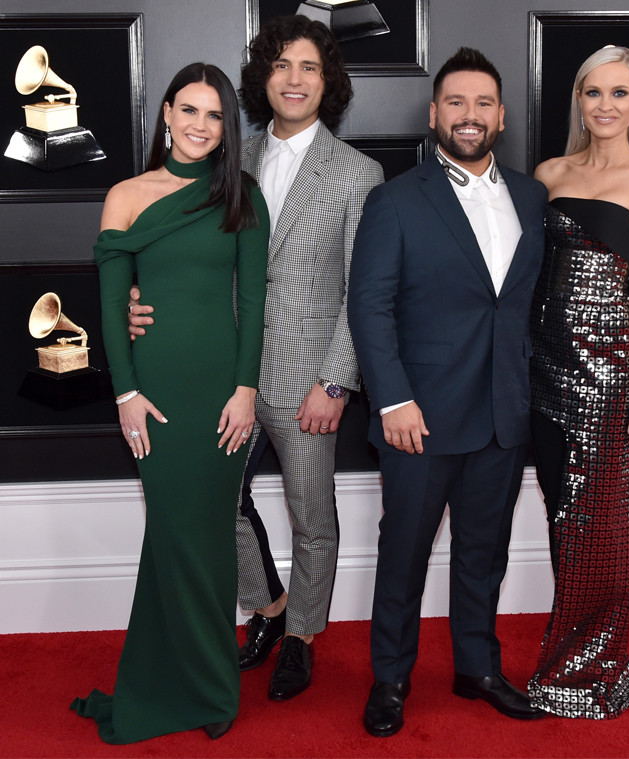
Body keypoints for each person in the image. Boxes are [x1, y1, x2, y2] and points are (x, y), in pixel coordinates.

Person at [128, 15, 383, 701]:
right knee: (219, 500)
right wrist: (136, 300)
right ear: (263, 79)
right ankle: (269, 607)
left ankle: (301, 636)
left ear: (327, 82)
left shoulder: (359, 173)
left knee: (311, 514)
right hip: (222, 368)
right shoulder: (225, 158)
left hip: (308, 374)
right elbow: (173, 251)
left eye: (309, 67)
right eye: (281, 66)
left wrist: (338, 379)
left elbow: (365, 288)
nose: (294, 79)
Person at [348, 47, 548, 738]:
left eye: (483, 103)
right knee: (403, 552)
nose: (470, 116)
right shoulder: (396, 199)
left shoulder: (531, 196)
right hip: (419, 418)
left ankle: (477, 667)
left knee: (483, 551)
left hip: (502, 412)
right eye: (457, 103)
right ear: (435, 114)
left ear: (501, 115)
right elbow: (368, 306)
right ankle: (392, 678)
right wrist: (393, 399)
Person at [70, 63, 268, 743]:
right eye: (189, 110)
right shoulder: (125, 195)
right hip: (153, 392)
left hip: (221, 393)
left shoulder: (241, 195)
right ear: (165, 113)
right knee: (172, 533)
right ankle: (173, 679)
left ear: (227, 128)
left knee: (207, 539)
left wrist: (246, 391)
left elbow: (255, 303)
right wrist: (125, 391)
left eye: (214, 116)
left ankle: (211, 686)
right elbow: (109, 305)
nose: (199, 125)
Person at [526, 46, 629, 719]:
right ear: (579, 101)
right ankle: (572, 641)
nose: (606, 106)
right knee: (560, 516)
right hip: (541, 368)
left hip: (611, 375)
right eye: (594, 93)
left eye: (620, 93)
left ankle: (592, 662)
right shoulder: (549, 173)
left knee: (601, 523)